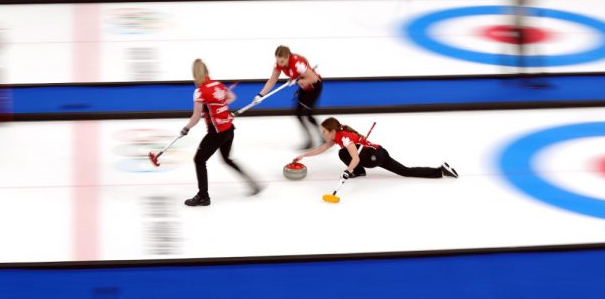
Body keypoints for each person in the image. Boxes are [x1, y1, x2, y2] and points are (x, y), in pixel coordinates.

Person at [158, 59, 260, 207]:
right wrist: (220, 107)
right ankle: (252, 183)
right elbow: (231, 98)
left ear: (195, 75)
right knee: (227, 159)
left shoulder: (199, 92)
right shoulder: (217, 85)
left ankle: (203, 196)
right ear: (207, 71)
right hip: (229, 130)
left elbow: (195, 116)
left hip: (216, 133)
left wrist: (186, 128)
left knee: (199, 160)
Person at [294, 117, 459, 180]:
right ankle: (440, 171)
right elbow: (321, 148)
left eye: (324, 131)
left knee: (343, 153)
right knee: (406, 171)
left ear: (332, 131)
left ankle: (357, 171)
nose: (322, 134)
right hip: (379, 151)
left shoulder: (343, 137)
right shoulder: (337, 136)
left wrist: (347, 171)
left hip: (373, 157)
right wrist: (304, 156)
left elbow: (356, 158)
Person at [254, 45, 322, 149]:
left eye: (282, 61)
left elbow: (314, 79)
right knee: (298, 114)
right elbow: (272, 80)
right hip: (304, 87)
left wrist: (298, 81)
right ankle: (310, 141)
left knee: (308, 115)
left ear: (288, 57)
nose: (279, 64)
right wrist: (260, 95)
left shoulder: (297, 63)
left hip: (314, 87)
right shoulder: (278, 64)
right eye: (277, 60)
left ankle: (323, 137)